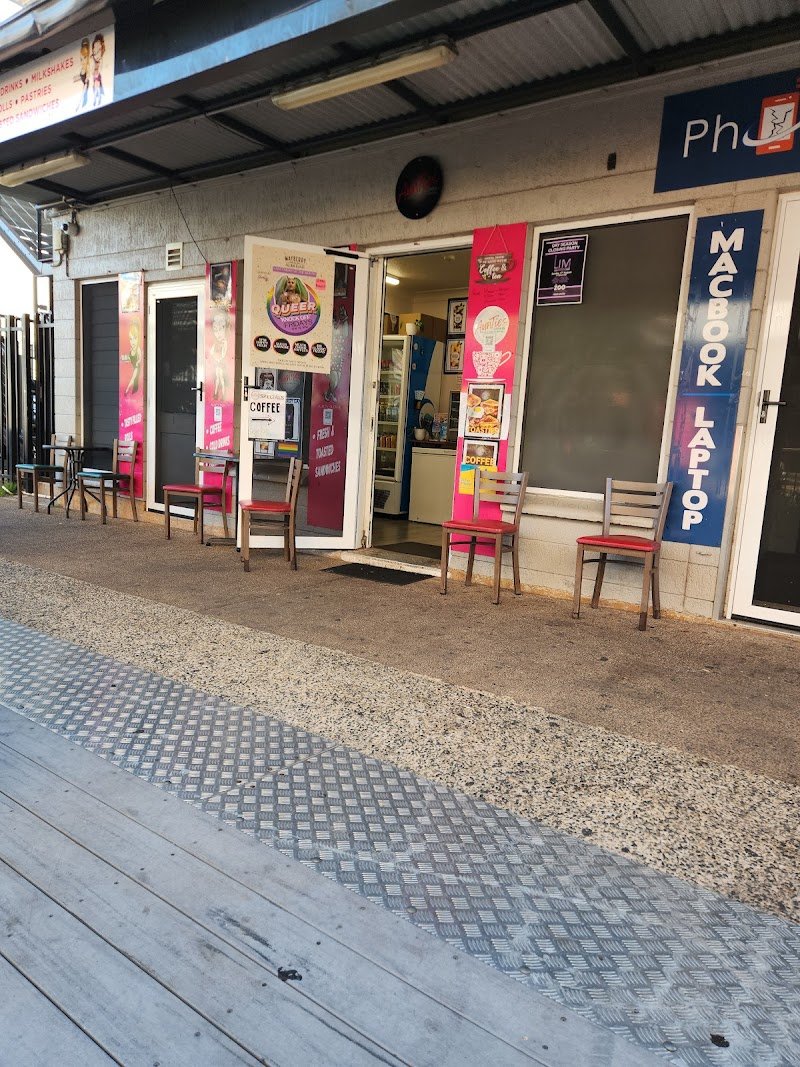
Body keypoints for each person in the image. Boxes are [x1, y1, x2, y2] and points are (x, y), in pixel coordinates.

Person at [209, 309, 228, 400]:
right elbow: (211, 352)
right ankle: (216, 394)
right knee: (218, 378)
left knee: (221, 379)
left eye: (221, 329)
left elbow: (224, 353)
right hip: (218, 363)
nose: (218, 333)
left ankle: (222, 395)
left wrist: (219, 359)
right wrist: (216, 359)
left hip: (221, 363)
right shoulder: (216, 343)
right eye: (215, 330)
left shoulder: (224, 342)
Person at [123, 321, 142, 396]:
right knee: (134, 380)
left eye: (135, 338)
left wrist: (137, 362)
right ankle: (131, 391)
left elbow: (140, 358)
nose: (133, 342)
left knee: (133, 379)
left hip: (136, 368)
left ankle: (127, 390)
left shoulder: (138, 349)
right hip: (133, 368)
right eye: (131, 339)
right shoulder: (131, 349)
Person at [91, 34, 105, 107]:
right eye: (94, 49)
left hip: (97, 82)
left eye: (99, 49)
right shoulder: (92, 63)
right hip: (95, 82)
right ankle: (96, 100)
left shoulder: (101, 63)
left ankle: (97, 99)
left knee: (97, 88)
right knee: (96, 89)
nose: (96, 52)